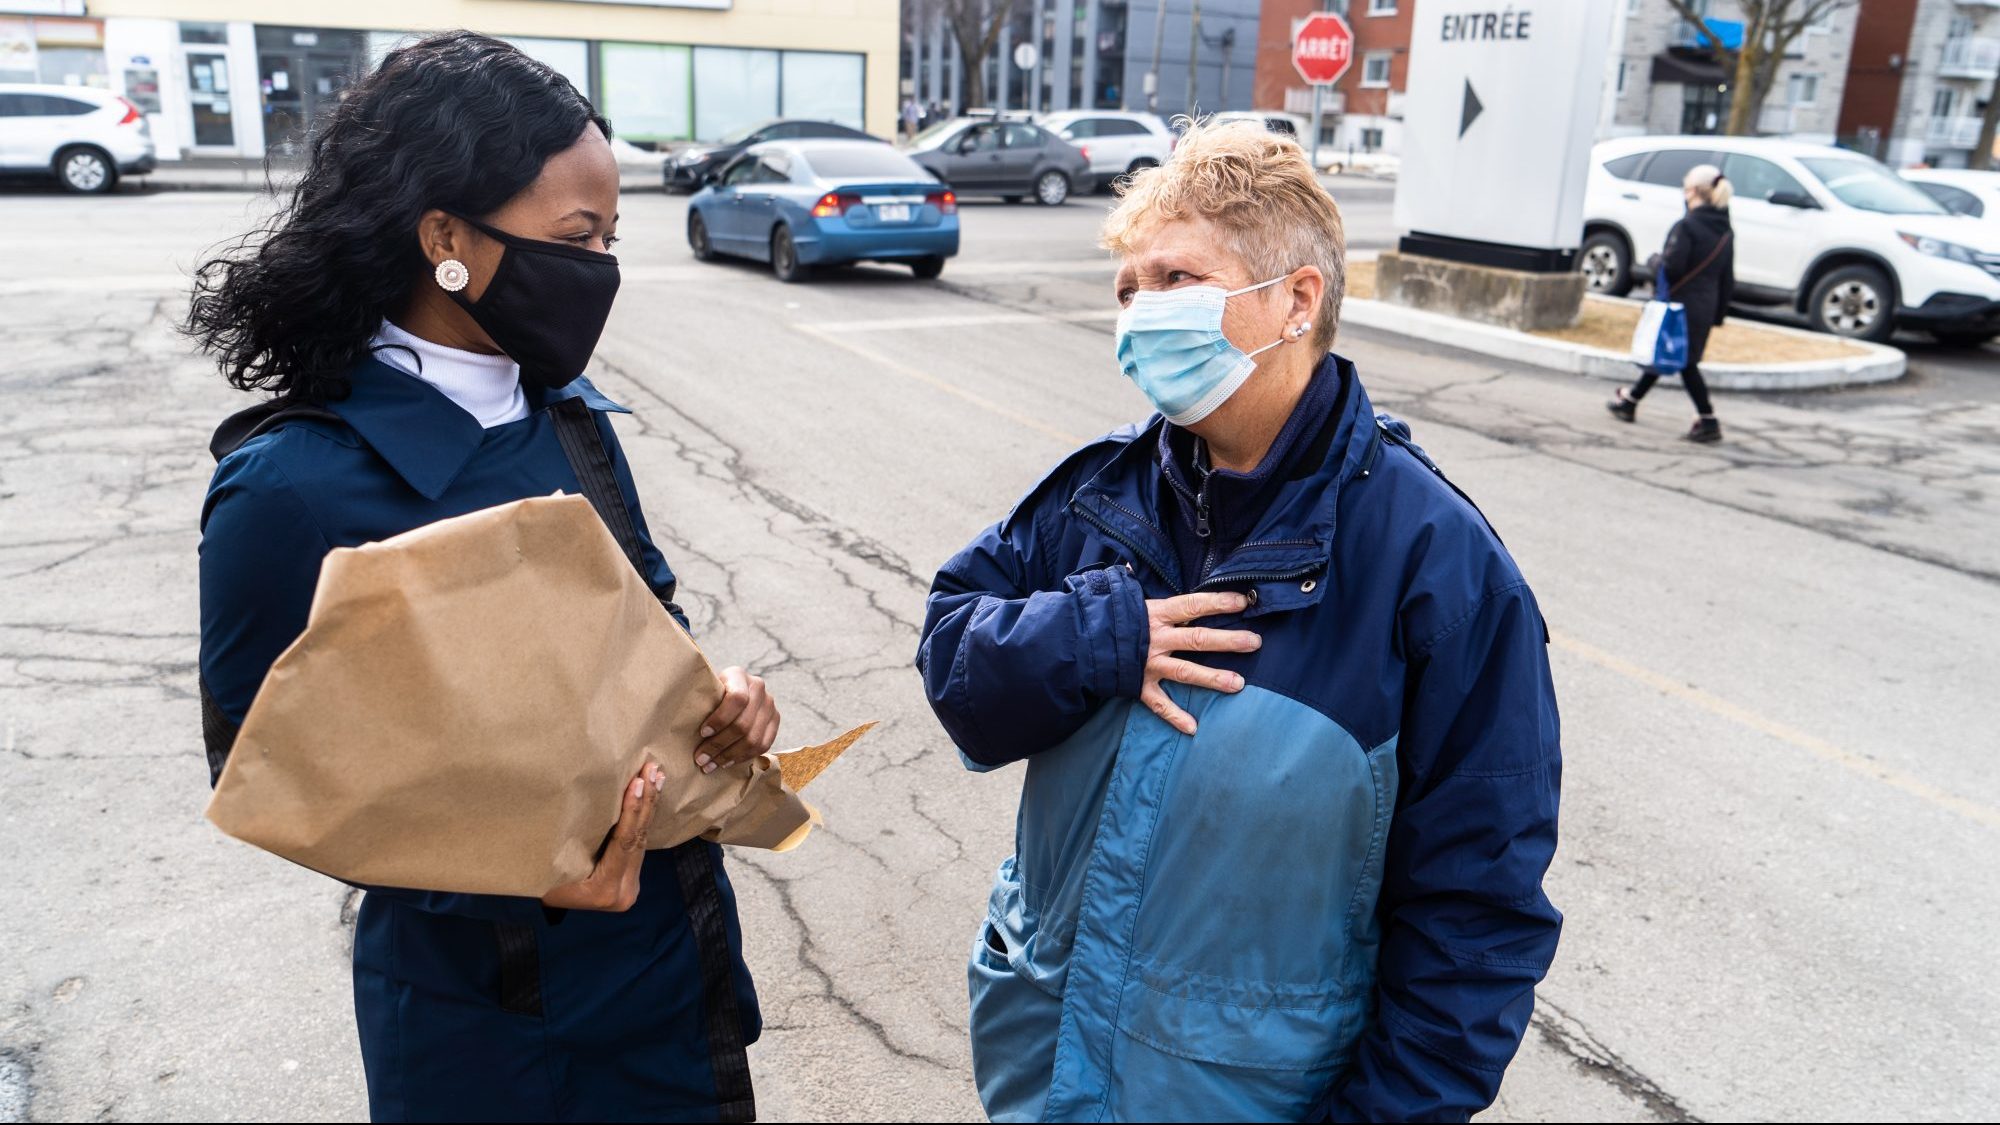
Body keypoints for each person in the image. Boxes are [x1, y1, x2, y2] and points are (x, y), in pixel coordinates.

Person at [916, 121, 1562, 1121]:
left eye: (1176, 278)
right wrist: (1096, 639)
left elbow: (1475, 921)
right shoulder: (1094, 496)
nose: (1141, 314)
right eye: (1128, 289)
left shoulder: (1437, 566)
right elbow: (955, 664)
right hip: (1044, 1075)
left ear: (1296, 300)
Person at [190, 32, 777, 1122]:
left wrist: (723, 701)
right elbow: (261, 773)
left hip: (668, 973)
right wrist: (512, 870)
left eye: (610, 237)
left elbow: (652, 637)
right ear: (445, 237)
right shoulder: (291, 486)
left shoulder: (572, 419)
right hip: (485, 1022)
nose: (599, 268)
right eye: (575, 237)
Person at [1609, 164, 1735, 443]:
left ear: (1693, 192)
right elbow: (1727, 277)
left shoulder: (1686, 226)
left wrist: (1654, 261)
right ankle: (1630, 401)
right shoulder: (1725, 231)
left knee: (1685, 362)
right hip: (1704, 306)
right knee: (1668, 355)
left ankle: (1708, 420)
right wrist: (1718, 314)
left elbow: (1672, 268)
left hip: (1679, 306)